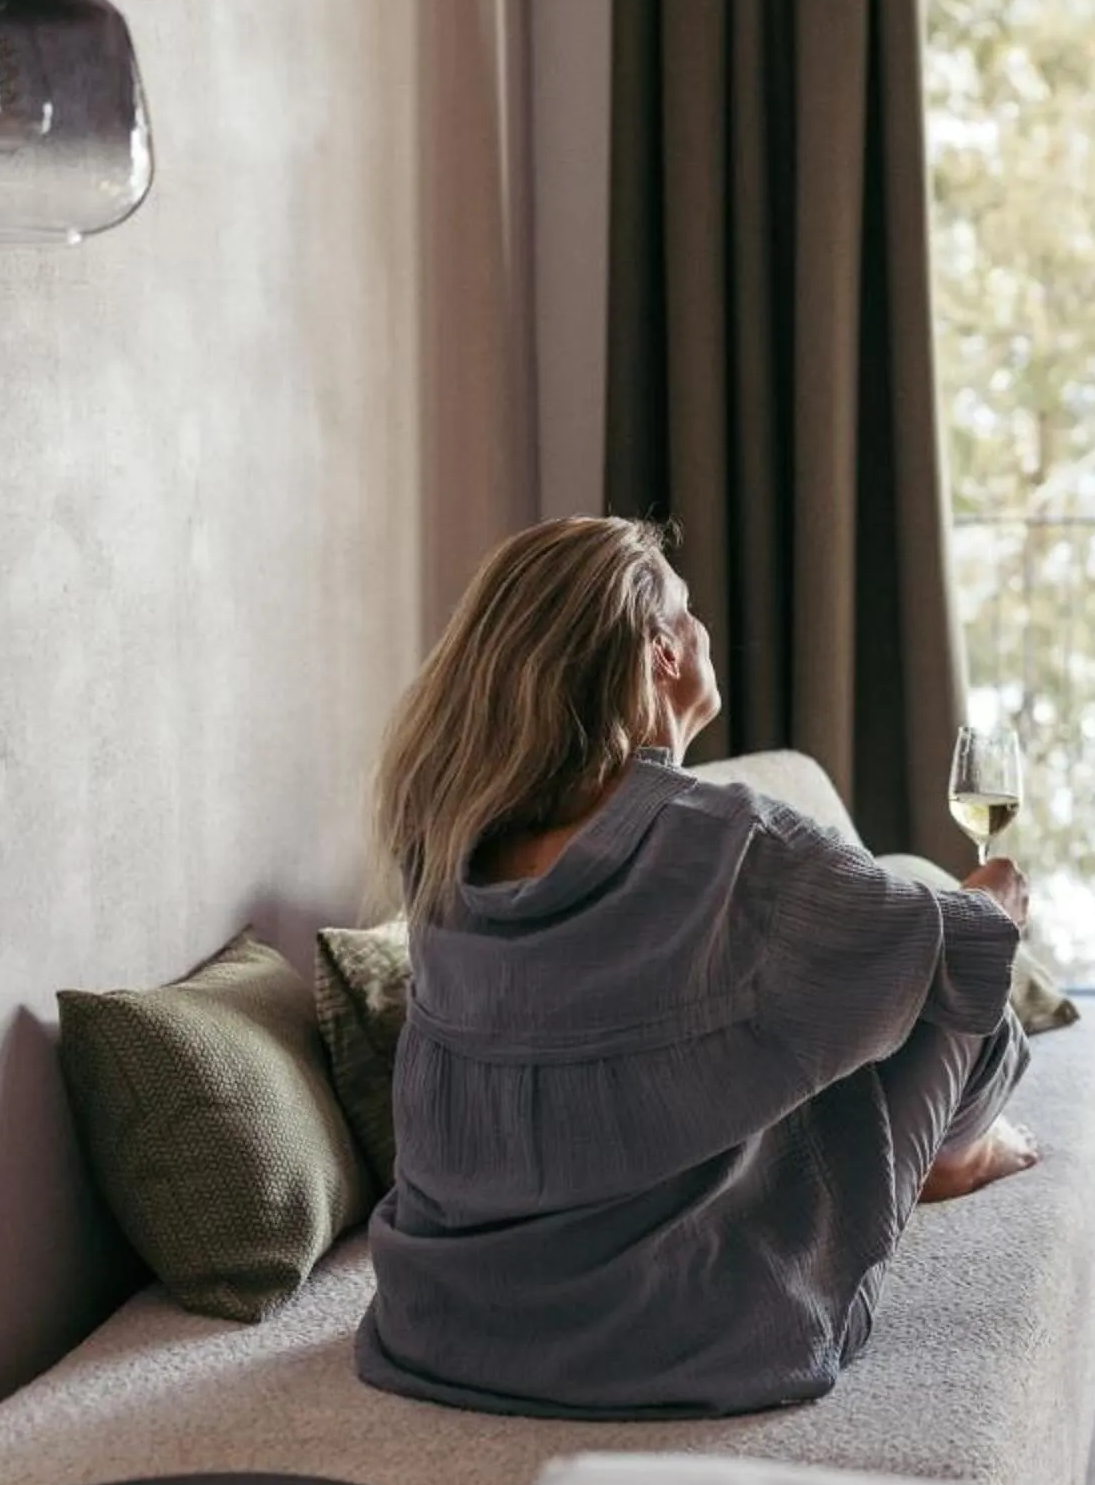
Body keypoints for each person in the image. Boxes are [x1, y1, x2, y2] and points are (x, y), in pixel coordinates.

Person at [354, 516, 1039, 1419]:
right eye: (685, 607)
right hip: (687, 1341)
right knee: (962, 973)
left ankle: (944, 1143)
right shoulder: (732, 842)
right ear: (660, 653)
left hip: (447, 1325)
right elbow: (951, 953)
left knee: (826, 1003)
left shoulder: (441, 843)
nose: (701, 623)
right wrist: (996, 899)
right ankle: (957, 1155)